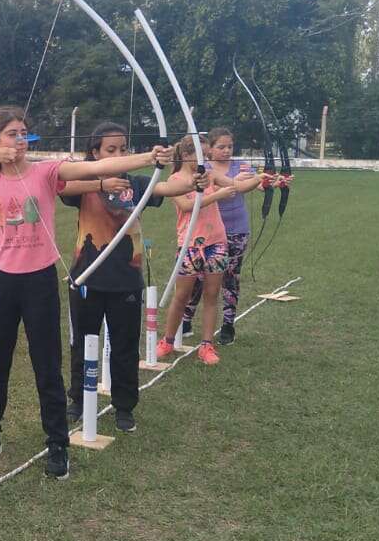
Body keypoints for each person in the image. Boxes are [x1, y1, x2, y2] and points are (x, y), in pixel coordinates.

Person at [0, 105, 166, 480]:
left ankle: (57, 443)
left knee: (47, 367)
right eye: (12, 134)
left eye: (24, 133)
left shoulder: (45, 172)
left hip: (39, 281)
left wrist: (149, 157)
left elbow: (96, 168)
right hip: (2, 281)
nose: (20, 140)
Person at [59, 123, 192, 432]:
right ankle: (77, 399)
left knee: (125, 345)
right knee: (82, 342)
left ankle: (123, 406)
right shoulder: (85, 181)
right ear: (95, 153)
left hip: (126, 279)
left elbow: (168, 188)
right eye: (111, 150)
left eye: (123, 149)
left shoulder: (135, 182)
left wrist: (190, 173)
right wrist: (101, 183)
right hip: (87, 277)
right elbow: (63, 186)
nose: (120, 154)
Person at [180, 128, 280, 344]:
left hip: (236, 230)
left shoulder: (241, 166)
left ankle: (228, 325)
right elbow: (222, 187)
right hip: (209, 231)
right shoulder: (203, 169)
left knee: (230, 277)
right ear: (210, 149)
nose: (226, 151)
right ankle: (186, 319)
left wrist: (272, 181)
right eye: (221, 147)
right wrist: (234, 182)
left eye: (230, 147)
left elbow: (257, 185)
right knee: (197, 278)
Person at [157, 140, 245, 366]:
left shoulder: (209, 175)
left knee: (211, 294)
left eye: (206, 156)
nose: (205, 161)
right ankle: (167, 340)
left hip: (216, 242)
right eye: (201, 155)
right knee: (181, 296)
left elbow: (235, 185)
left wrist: (261, 180)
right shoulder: (175, 180)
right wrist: (218, 194)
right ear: (187, 155)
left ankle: (207, 345)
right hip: (189, 244)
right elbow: (188, 206)